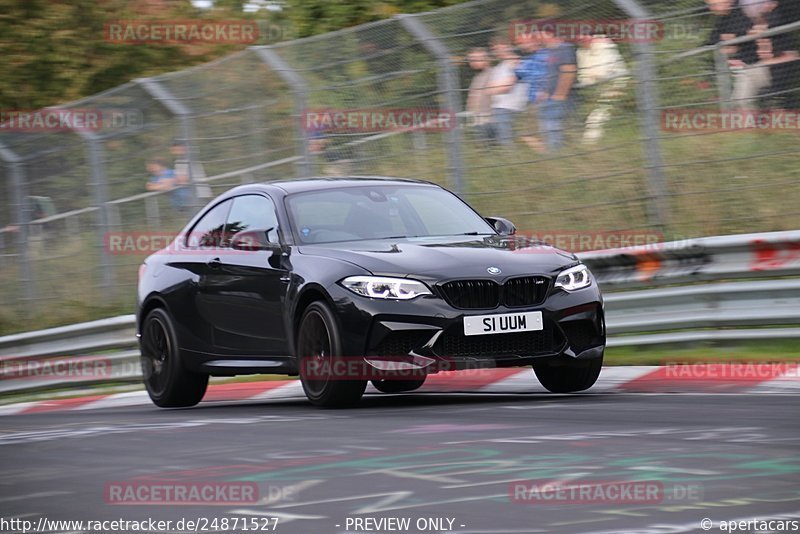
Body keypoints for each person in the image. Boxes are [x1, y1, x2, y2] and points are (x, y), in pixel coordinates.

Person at [740, 0, 799, 109]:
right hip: (761, 70)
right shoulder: (751, 29)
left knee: (777, 99)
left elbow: (792, 56)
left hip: (778, 72)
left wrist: (767, 61)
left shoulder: (780, 30)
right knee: (742, 98)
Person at [576, 34, 630, 144]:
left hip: (614, 84)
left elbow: (602, 72)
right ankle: (598, 139)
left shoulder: (604, 47)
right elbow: (583, 73)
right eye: (580, 40)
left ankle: (589, 142)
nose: (583, 41)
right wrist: (587, 82)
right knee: (593, 112)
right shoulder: (581, 52)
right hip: (595, 86)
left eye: (585, 38)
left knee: (598, 114)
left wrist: (591, 79)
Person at [538, 29, 578, 152]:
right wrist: (544, 91)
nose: (539, 37)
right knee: (547, 130)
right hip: (549, 97)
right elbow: (550, 74)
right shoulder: (549, 52)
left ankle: (558, 154)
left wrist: (560, 94)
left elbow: (569, 72)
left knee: (555, 129)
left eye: (541, 34)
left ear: (550, 34)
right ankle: (553, 155)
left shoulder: (565, 48)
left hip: (562, 98)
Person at [486, 38, 528, 146]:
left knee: (507, 142)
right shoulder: (499, 67)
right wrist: (495, 87)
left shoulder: (516, 62)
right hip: (498, 108)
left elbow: (507, 86)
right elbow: (488, 89)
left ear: (508, 45)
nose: (497, 51)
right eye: (494, 49)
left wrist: (493, 88)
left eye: (500, 47)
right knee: (502, 141)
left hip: (510, 107)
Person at [515, 31, 551, 152]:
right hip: (532, 100)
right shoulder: (527, 59)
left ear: (535, 41)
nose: (521, 46)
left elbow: (549, 75)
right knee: (529, 134)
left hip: (543, 99)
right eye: (519, 43)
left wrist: (545, 90)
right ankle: (546, 154)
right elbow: (518, 74)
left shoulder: (546, 55)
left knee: (535, 133)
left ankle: (548, 154)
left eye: (524, 42)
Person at [465, 47, 495, 142]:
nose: (472, 62)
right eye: (471, 60)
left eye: (476, 59)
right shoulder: (477, 77)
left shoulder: (494, 74)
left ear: (487, 59)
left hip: (489, 119)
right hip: (477, 119)